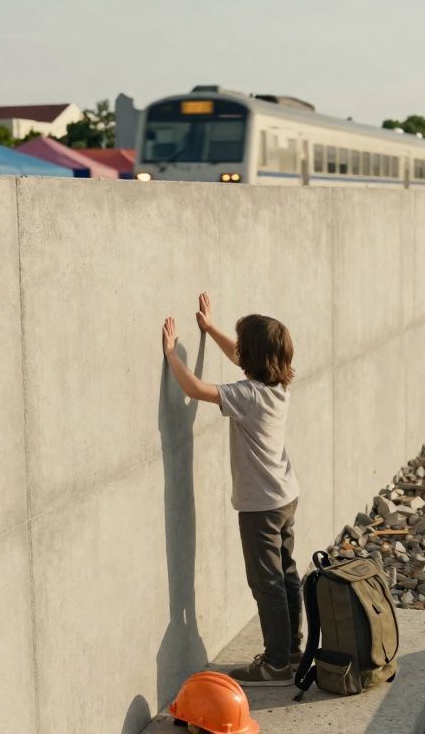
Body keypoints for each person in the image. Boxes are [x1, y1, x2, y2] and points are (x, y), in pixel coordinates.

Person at [161, 292, 302, 687]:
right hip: (286, 496)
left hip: (259, 507)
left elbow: (194, 390)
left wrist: (173, 354)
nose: (236, 351)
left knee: (266, 583)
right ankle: (291, 647)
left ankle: (276, 664)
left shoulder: (247, 395)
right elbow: (243, 354)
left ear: (252, 359)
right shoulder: (277, 388)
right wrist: (210, 328)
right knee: (287, 573)